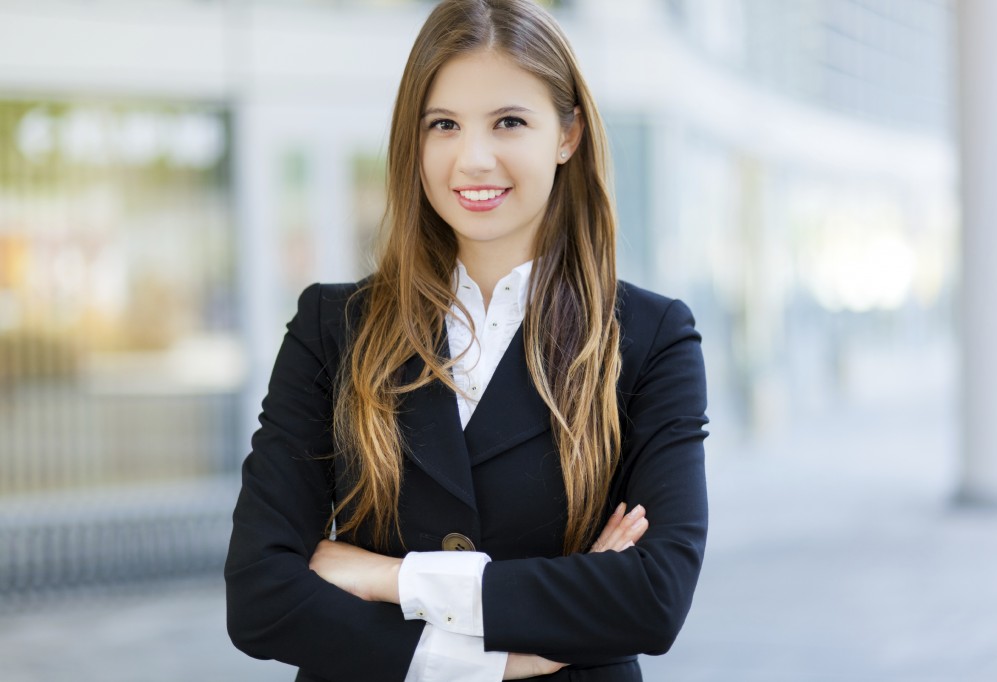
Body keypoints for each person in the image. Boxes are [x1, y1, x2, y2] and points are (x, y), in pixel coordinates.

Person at [224, 0, 709, 680]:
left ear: (567, 134)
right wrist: (499, 660)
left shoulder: (650, 339)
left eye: (509, 122)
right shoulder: (332, 329)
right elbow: (259, 596)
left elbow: (653, 597)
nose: (473, 158)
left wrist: (394, 579)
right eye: (444, 125)